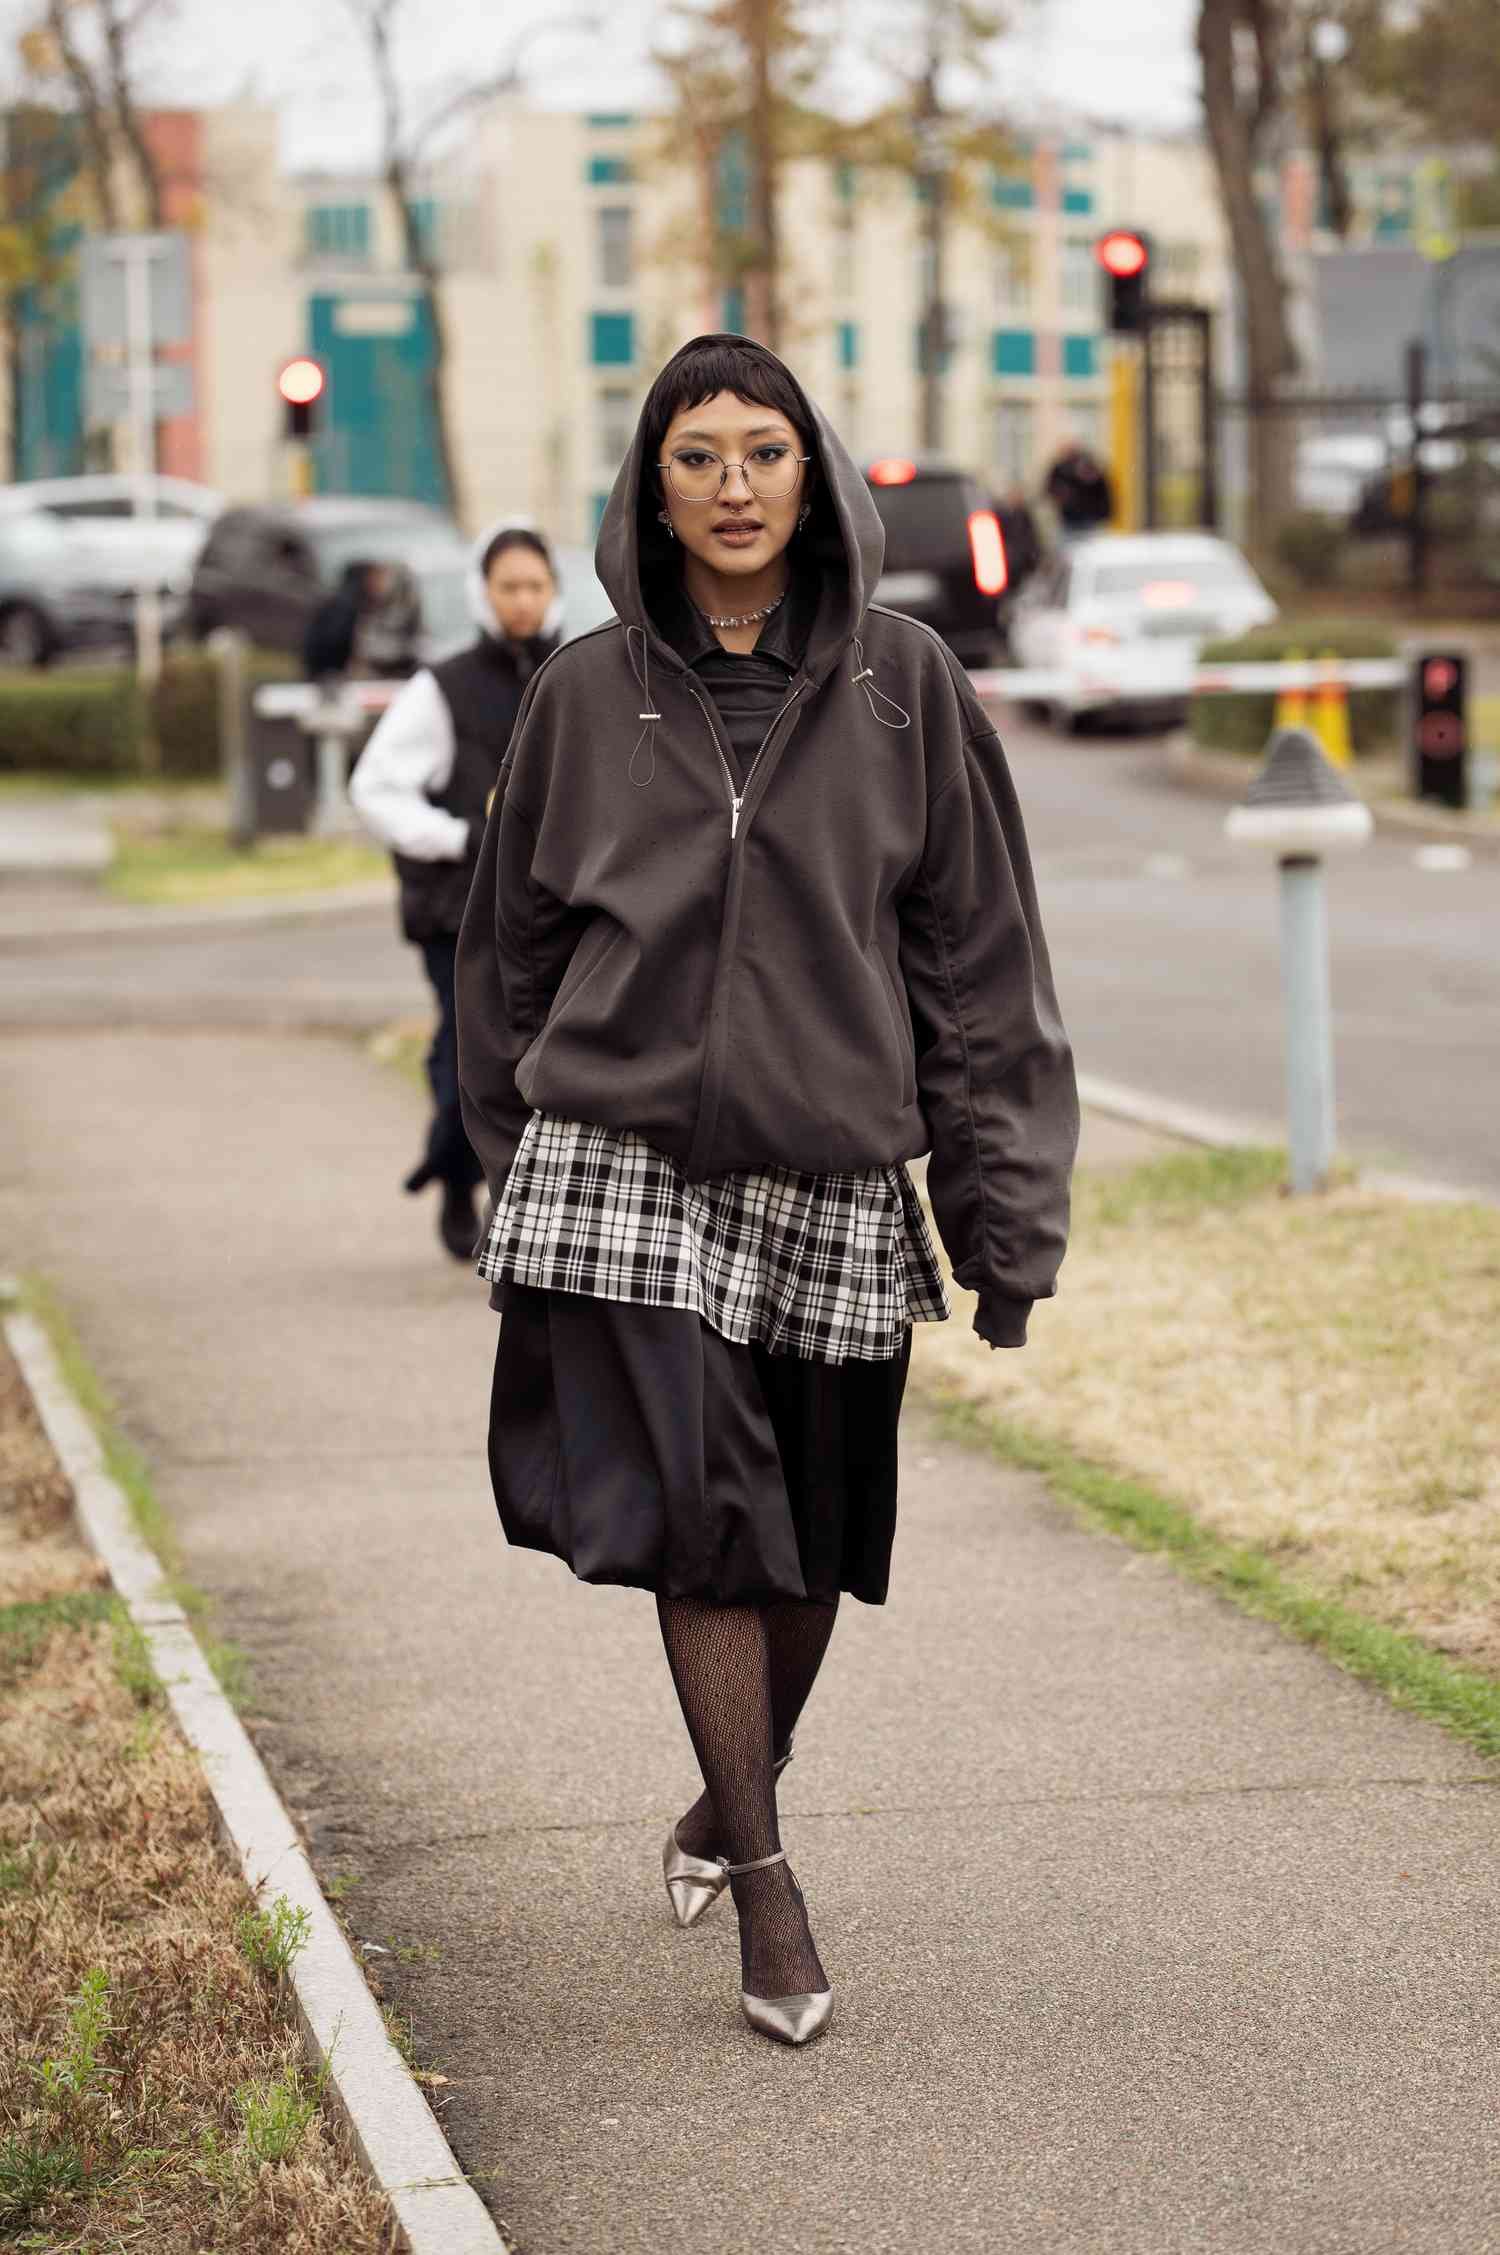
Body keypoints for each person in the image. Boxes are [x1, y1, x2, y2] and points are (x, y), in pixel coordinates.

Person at [456, 335, 1078, 2048]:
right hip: (621, 1156)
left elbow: (977, 966)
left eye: (763, 454)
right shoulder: (586, 692)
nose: (732, 487)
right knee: (707, 1515)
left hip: (828, 1159)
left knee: (811, 1543)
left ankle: (729, 1794)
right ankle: (772, 1887)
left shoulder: (904, 685)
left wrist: (1003, 1222)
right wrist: (515, 1165)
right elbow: (507, 953)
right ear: (648, 491)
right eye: (696, 459)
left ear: (816, 475)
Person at [351, 523, 562, 1260]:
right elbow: (376, 790)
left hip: (550, 912)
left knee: (538, 1065)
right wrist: (462, 837)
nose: (523, 600)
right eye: (509, 585)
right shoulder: (443, 687)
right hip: (460, 910)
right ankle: (453, 1174)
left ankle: (515, 1201)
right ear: (484, 592)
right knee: (466, 1056)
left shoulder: (575, 678)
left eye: (536, 584)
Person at [302, 558, 391, 683]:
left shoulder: (343, 604)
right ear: (365, 579)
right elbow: (332, 649)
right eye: (378, 577)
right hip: (326, 679)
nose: (383, 584)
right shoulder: (343, 608)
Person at [1044, 440, 1113, 537]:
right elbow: (1048, 490)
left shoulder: (1089, 466)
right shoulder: (1059, 470)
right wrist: (1060, 494)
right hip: (1068, 519)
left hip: (1091, 519)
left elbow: (1101, 490)